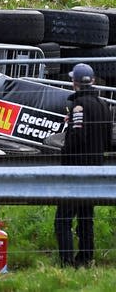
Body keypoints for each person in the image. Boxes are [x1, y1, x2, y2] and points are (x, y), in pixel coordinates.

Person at [54, 63, 112, 268]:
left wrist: (65, 152)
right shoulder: (105, 105)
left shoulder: (78, 106)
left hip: (75, 172)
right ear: (93, 81)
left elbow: (77, 137)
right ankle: (86, 259)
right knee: (86, 217)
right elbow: (108, 140)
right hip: (95, 169)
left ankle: (67, 262)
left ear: (74, 83)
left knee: (63, 220)